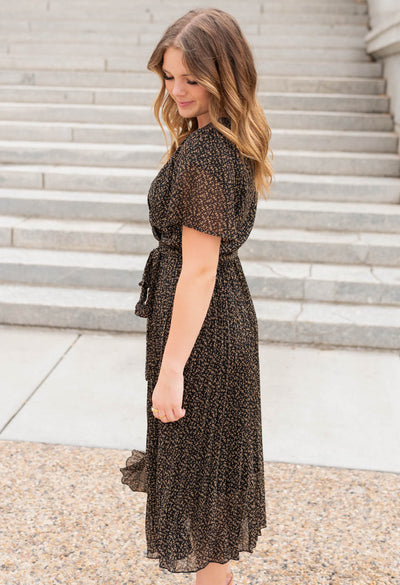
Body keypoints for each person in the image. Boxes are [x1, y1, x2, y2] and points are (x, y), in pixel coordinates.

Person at [120, 7, 274, 585]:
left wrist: (170, 370)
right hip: (218, 323)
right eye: (168, 76)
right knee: (208, 495)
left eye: (191, 78)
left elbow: (200, 269)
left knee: (204, 504)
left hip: (205, 336)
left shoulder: (207, 153)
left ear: (222, 74)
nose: (176, 90)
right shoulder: (216, 139)